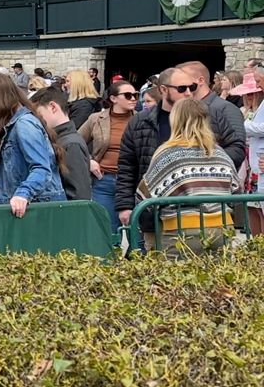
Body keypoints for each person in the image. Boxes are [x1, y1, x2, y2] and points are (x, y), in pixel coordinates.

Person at [137, 99, 239, 256]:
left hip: (181, 231)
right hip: (222, 228)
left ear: (175, 120)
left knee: (177, 278)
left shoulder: (167, 154)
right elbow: (237, 192)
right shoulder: (220, 153)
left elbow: (146, 197)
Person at [0, 73, 66, 216]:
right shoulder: (18, 124)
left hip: (36, 211)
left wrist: (22, 194)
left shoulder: (24, 124)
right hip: (30, 209)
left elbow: (41, 169)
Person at [78, 81, 138, 230]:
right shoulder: (96, 119)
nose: (134, 99)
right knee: (106, 228)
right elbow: (75, 143)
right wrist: (89, 161)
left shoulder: (142, 119)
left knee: (138, 231)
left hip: (134, 181)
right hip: (104, 180)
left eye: (136, 95)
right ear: (113, 98)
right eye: (128, 95)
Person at [28, 88, 93, 202]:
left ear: (53, 107)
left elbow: (79, 194)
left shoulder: (71, 144)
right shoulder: (62, 140)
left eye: (38, 114)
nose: (36, 120)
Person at [233, 68, 263, 234]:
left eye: (253, 93)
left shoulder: (260, 110)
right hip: (247, 162)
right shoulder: (242, 111)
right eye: (247, 94)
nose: (249, 97)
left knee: (260, 206)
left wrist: (245, 127)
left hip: (258, 161)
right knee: (250, 204)